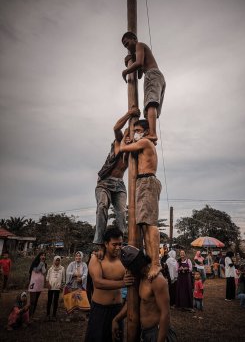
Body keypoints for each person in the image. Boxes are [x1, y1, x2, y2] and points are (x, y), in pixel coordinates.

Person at [120, 119, 162, 280]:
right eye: (134, 130)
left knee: (150, 223)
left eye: (137, 130)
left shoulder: (144, 142)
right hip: (143, 183)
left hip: (147, 182)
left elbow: (122, 147)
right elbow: (125, 157)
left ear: (144, 131)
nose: (135, 133)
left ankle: (156, 262)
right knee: (144, 224)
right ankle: (151, 261)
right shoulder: (142, 145)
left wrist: (125, 137)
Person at [93, 107, 140, 249]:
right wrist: (129, 114)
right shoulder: (119, 142)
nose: (127, 138)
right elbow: (116, 127)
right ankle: (99, 242)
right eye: (126, 134)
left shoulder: (133, 150)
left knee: (121, 213)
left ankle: (121, 242)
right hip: (105, 182)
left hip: (119, 184)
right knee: (102, 207)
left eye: (130, 136)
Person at [113, 245, 177, 342]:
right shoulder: (141, 278)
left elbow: (165, 313)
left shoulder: (157, 280)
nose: (127, 271)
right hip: (146, 333)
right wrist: (116, 319)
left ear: (134, 267)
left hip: (158, 333)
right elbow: (131, 303)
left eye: (128, 269)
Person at [85, 226, 134, 342]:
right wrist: (123, 283)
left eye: (120, 244)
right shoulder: (96, 259)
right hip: (99, 310)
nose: (118, 247)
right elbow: (98, 283)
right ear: (106, 244)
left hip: (117, 309)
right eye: (114, 244)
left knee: (116, 339)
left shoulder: (124, 260)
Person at [121, 32, 166, 142]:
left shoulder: (139, 45)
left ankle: (152, 133)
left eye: (127, 43)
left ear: (134, 39)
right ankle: (151, 134)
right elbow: (140, 74)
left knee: (150, 103)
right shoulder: (138, 51)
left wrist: (125, 71)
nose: (127, 46)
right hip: (157, 76)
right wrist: (132, 59)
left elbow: (140, 63)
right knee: (150, 109)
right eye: (125, 46)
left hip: (152, 74)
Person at [64, 251, 89, 319]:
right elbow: (67, 272)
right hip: (71, 284)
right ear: (75, 257)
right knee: (70, 298)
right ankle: (69, 315)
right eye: (77, 256)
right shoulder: (71, 264)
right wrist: (74, 274)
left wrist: (81, 279)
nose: (78, 257)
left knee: (80, 298)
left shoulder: (84, 265)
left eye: (79, 256)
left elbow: (85, 273)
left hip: (80, 284)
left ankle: (80, 315)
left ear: (82, 257)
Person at [46, 255, 65, 321]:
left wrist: (62, 286)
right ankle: (48, 314)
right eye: (56, 260)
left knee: (55, 301)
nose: (57, 261)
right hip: (51, 287)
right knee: (49, 301)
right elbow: (47, 278)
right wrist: (48, 284)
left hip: (57, 287)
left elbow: (63, 279)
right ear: (54, 261)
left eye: (58, 260)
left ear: (60, 261)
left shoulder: (62, 268)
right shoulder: (51, 268)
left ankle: (54, 315)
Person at [28, 251, 47, 319]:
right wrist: (41, 263)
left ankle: (32, 315)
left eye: (44, 255)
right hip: (33, 283)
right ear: (39, 256)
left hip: (39, 284)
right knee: (32, 301)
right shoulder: (35, 263)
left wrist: (43, 264)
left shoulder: (44, 264)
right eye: (42, 255)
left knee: (36, 300)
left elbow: (44, 272)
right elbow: (36, 270)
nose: (43, 256)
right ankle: (28, 316)